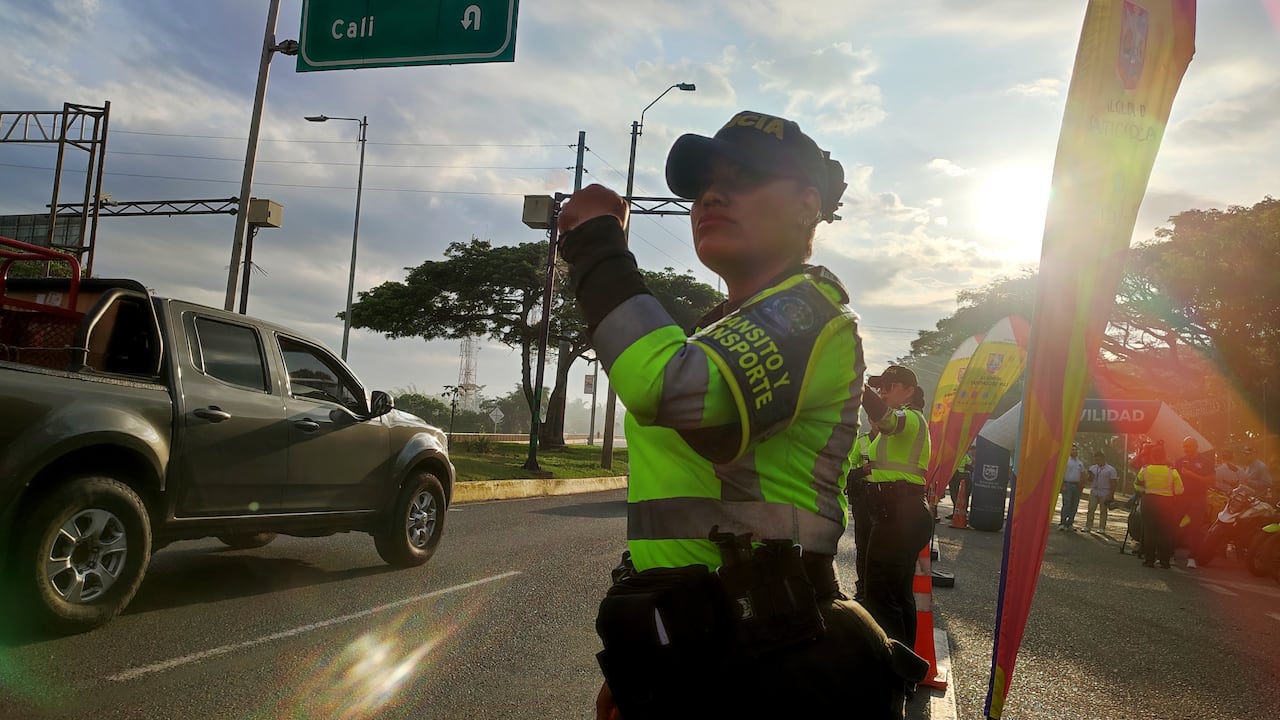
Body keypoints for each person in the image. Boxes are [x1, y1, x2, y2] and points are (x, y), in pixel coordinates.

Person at [561, 110, 926, 720]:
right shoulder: (722, 330)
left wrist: (598, 248)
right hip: (693, 645)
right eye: (704, 184)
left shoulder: (808, 314)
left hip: (772, 659)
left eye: (747, 177)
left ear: (807, 205)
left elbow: (669, 387)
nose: (713, 195)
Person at [858, 365, 935, 647]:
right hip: (897, 515)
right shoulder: (895, 429)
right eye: (879, 386)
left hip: (899, 516)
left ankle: (891, 674)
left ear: (909, 391)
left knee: (880, 595)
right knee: (897, 594)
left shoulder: (910, 419)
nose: (883, 391)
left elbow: (889, 419)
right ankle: (905, 671)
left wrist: (858, 383)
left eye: (890, 385)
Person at [1134, 444, 1185, 569]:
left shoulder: (1144, 470)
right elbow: (1180, 490)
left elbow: (1137, 486)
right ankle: (1164, 562)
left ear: (1152, 456)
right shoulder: (1172, 471)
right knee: (1166, 532)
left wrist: (1145, 490)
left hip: (1149, 501)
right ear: (1164, 457)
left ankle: (1149, 560)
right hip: (1167, 503)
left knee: (1149, 531)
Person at [1173, 437, 1215, 569]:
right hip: (1181, 498)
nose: (1187, 449)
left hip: (1198, 498)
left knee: (1195, 528)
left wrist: (1192, 475)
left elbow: (1212, 480)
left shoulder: (1205, 461)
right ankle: (1169, 554)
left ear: (1196, 446)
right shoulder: (1179, 461)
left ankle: (1192, 558)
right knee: (1175, 524)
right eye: (1185, 446)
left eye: (1189, 446)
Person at [847, 430, 873, 601]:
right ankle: (862, 589)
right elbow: (849, 472)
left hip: (888, 498)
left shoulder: (892, 439)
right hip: (864, 498)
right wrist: (863, 471)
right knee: (863, 545)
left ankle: (875, 589)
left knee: (882, 547)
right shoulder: (862, 441)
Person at [1084, 450, 1119, 535]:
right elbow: (1089, 480)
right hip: (1094, 491)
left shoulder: (1110, 469)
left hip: (1105, 492)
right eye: (1095, 460)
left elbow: (1113, 483)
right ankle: (1088, 526)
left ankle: (1101, 528)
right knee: (1091, 509)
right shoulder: (1092, 468)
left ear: (1103, 459)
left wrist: (1111, 495)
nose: (1097, 461)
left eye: (1099, 459)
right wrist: (1090, 476)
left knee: (1103, 511)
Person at [1058, 444, 1086, 531]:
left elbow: (1083, 474)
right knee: (1067, 504)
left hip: (1077, 486)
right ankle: (1062, 523)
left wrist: (1081, 485)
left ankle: (1070, 523)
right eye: (1072, 449)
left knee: (1074, 505)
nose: (1074, 451)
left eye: (1076, 450)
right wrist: (1062, 485)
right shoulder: (1066, 461)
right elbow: (1061, 473)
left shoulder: (1080, 463)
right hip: (1067, 485)